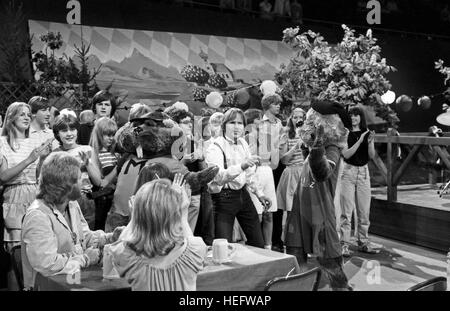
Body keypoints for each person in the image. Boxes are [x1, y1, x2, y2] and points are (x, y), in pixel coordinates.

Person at [21, 152, 120, 290]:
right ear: (66, 184)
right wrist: (85, 259)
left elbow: (83, 238)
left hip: (72, 281)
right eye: (79, 178)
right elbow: (47, 265)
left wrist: (108, 238)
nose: (84, 182)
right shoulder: (38, 216)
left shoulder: (71, 204)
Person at [284, 100, 352, 290]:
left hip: (320, 210)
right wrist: (311, 145)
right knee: (295, 254)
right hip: (301, 207)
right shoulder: (311, 145)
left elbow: (322, 173)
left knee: (329, 258)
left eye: (313, 122)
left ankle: (341, 289)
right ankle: (302, 286)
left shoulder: (332, 149)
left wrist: (317, 149)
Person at [110, 175, 207, 291]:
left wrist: (134, 217)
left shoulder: (127, 256)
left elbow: (120, 245)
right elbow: (189, 240)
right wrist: (184, 213)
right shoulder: (194, 250)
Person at [205, 108, 270, 248]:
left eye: (240, 123)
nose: (236, 126)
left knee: (258, 242)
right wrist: (242, 165)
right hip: (224, 198)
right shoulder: (215, 147)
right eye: (232, 122)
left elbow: (250, 174)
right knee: (223, 246)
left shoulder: (242, 143)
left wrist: (260, 194)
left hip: (243, 195)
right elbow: (218, 177)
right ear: (224, 125)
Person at [0, 102, 52, 252]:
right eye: (22, 114)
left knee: (36, 246)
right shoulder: (3, 143)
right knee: (16, 248)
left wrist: (42, 159)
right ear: (11, 117)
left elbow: (38, 176)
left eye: (28, 115)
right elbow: (3, 176)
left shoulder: (34, 143)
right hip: (14, 196)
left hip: (34, 195)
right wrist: (29, 159)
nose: (27, 118)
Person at [339, 106, 379, 256]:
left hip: (363, 172)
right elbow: (346, 154)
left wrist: (369, 142)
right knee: (346, 211)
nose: (354, 118)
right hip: (348, 172)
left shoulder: (367, 132)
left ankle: (363, 242)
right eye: (352, 115)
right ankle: (344, 244)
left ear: (361, 117)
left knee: (364, 211)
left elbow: (371, 155)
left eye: (357, 115)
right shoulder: (344, 133)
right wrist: (360, 140)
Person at [52, 114, 102, 229]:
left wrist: (88, 164)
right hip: (63, 200)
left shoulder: (87, 150)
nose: (69, 134)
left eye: (73, 129)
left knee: (88, 236)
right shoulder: (54, 154)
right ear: (57, 133)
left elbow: (98, 181)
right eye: (64, 130)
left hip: (85, 199)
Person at [276, 107, 307, 226]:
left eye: (301, 117)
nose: (298, 120)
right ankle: (289, 239)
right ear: (291, 119)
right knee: (291, 209)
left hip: (305, 172)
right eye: (295, 117)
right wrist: (296, 146)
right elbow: (284, 160)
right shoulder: (286, 134)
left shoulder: (308, 133)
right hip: (292, 172)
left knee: (304, 209)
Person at [89, 117, 119, 230]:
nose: (111, 138)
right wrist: (118, 167)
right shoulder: (94, 153)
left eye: (113, 135)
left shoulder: (115, 153)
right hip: (102, 202)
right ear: (99, 134)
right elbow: (100, 183)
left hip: (114, 202)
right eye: (107, 135)